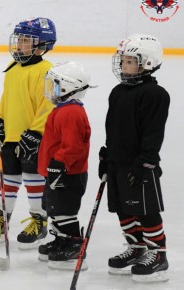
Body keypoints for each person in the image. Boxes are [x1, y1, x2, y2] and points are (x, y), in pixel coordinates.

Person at [0, 17, 56, 249]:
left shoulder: (47, 71)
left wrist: (36, 132)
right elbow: (7, 100)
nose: (19, 44)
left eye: (26, 40)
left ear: (41, 44)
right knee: (8, 179)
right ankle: (1, 218)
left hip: (33, 139)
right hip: (11, 137)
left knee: (33, 179)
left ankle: (39, 220)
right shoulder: (12, 69)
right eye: (19, 39)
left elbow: (48, 106)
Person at [99, 33, 170, 282]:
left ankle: (157, 253)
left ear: (147, 63)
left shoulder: (154, 94)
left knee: (145, 209)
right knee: (122, 208)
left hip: (141, 163)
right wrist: (107, 154)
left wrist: (147, 160)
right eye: (124, 60)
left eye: (130, 61)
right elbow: (113, 127)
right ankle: (136, 247)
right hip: (118, 161)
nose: (124, 65)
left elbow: (153, 131)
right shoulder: (118, 91)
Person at [36, 61, 92, 270]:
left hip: (68, 174)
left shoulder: (71, 112)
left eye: (55, 84)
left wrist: (59, 163)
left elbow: (73, 146)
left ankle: (74, 245)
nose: (51, 88)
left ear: (68, 87)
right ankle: (61, 240)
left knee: (65, 210)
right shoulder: (63, 109)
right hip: (58, 172)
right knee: (55, 208)